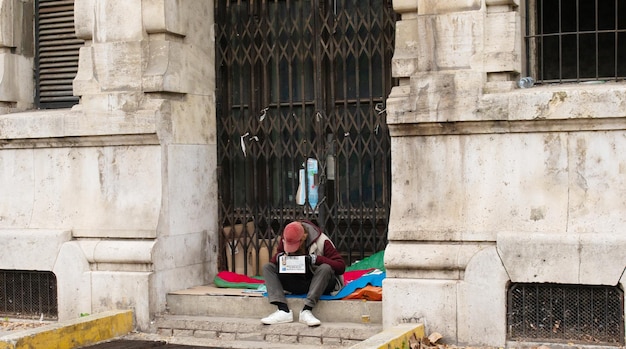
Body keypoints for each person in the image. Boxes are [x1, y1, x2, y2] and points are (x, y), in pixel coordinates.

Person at [261, 220, 345, 326]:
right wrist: (280, 257)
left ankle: (307, 310)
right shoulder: (286, 239)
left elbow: (340, 266)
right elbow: (274, 261)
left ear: (303, 238)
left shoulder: (322, 241)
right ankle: (283, 310)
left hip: (318, 283)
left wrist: (315, 259)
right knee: (267, 267)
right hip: (296, 281)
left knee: (326, 268)